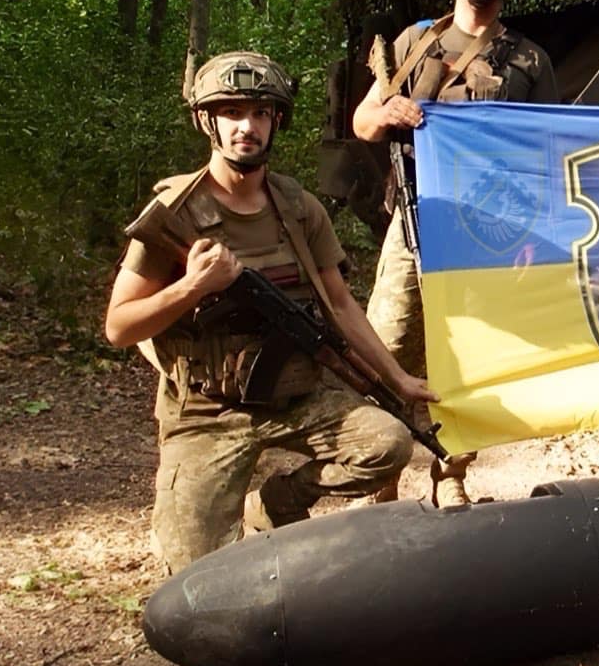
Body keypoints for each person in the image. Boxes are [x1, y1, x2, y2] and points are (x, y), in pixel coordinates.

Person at [105, 52, 437, 575]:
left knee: (386, 443)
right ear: (206, 121)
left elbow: (342, 304)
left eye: (261, 113)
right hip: (208, 410)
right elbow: (120, 326)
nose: (247, 127)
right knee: (196, 579)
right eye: (232, 112)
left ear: (276, 122)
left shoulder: (299, 207)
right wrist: (193, 286)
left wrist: (396, 378)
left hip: (296, 396)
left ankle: (276, 506)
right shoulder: (176, 213)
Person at [352, 0, 558, 506]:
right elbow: (363, 122)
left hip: (485, 228)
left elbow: (542, 152)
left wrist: (529, 233)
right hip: (414, 216)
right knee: (386, 345)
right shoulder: (413, 44)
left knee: (464, 353)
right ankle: (379, 484)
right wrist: (390, 112)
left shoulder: (527, 60)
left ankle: (452, 476)